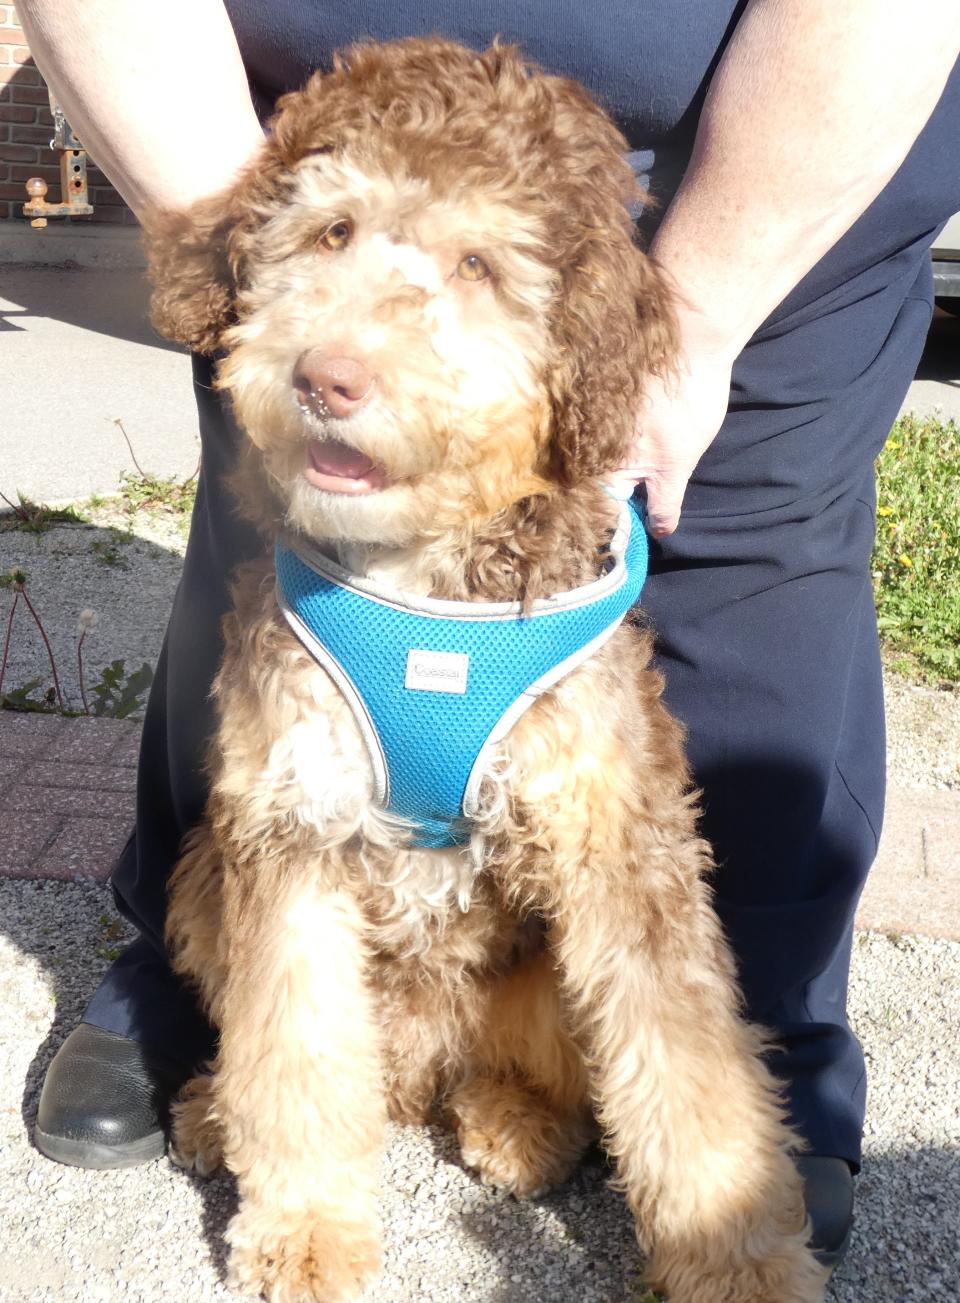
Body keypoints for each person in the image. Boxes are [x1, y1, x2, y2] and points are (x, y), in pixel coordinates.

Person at [17, 0, 960, 1270]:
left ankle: (727, 1200)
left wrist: (688, 330)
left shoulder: (596, 346)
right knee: (258, 863)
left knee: (648, 853)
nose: (343, 340)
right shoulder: (292, 316)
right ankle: (294, 1158)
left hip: (764, 161)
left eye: (468, 267)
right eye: (334, 236)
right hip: (250, 111)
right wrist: (231, 226)